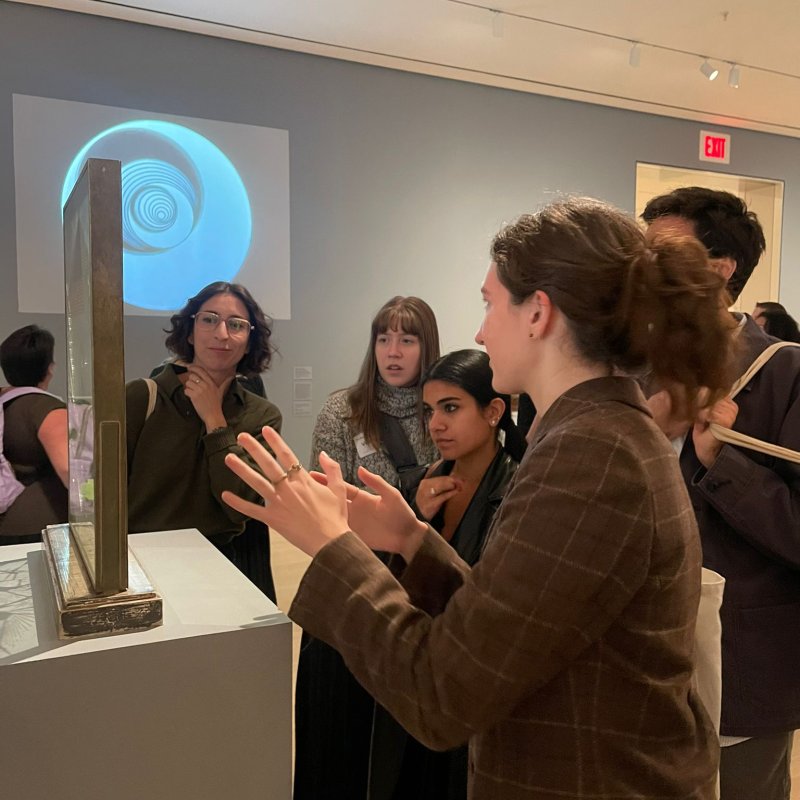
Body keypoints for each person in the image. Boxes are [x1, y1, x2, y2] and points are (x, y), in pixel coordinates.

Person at [224, 197, 730, 799]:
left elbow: (446, 691)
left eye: (490, 304)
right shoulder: (596, 434)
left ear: (538, 313)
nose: (480, 330)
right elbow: (517, 631)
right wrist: (410, 539)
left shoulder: (593, 455)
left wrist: (333, 546)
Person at [643, 186, 800, 800]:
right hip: (640, 658)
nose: (644, 268)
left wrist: (721, 460)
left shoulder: (784, 373)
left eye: (663, 252)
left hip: (744, 666)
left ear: (720, 267)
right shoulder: (628, 370)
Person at [294, 295, 440, 800]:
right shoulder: (345, 410)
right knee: (341, 725)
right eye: (384, 338)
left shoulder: (441, 409)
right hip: (351, 574)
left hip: (421, 576)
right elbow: (321, 498)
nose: (393, 352)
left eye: (407, 339)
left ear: (428, 347)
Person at [370, 348, 524, 800]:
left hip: (473, 688)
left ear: (494, 411)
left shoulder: (518, 489)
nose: (435, 424)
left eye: (451, 408)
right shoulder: (425, 481)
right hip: (419, 676)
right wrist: (414, 519)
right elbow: (393, 580)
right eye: (430, 410)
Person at [126, 281, 282, 559]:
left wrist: (215, 421)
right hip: (141, 561)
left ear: (249, 343)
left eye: (236, 325)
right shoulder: (141, 397)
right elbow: (103, 493)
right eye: (209, 320)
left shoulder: (261, 415)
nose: (221, 334)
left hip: (220, 564)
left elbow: (240, 506)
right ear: (190, 332)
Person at [0, 325, 68, 545]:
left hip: (7, 522)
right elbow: (68, 467)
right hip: (41, 524)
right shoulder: (46, 407)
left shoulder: (5, 402)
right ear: (49, 368)